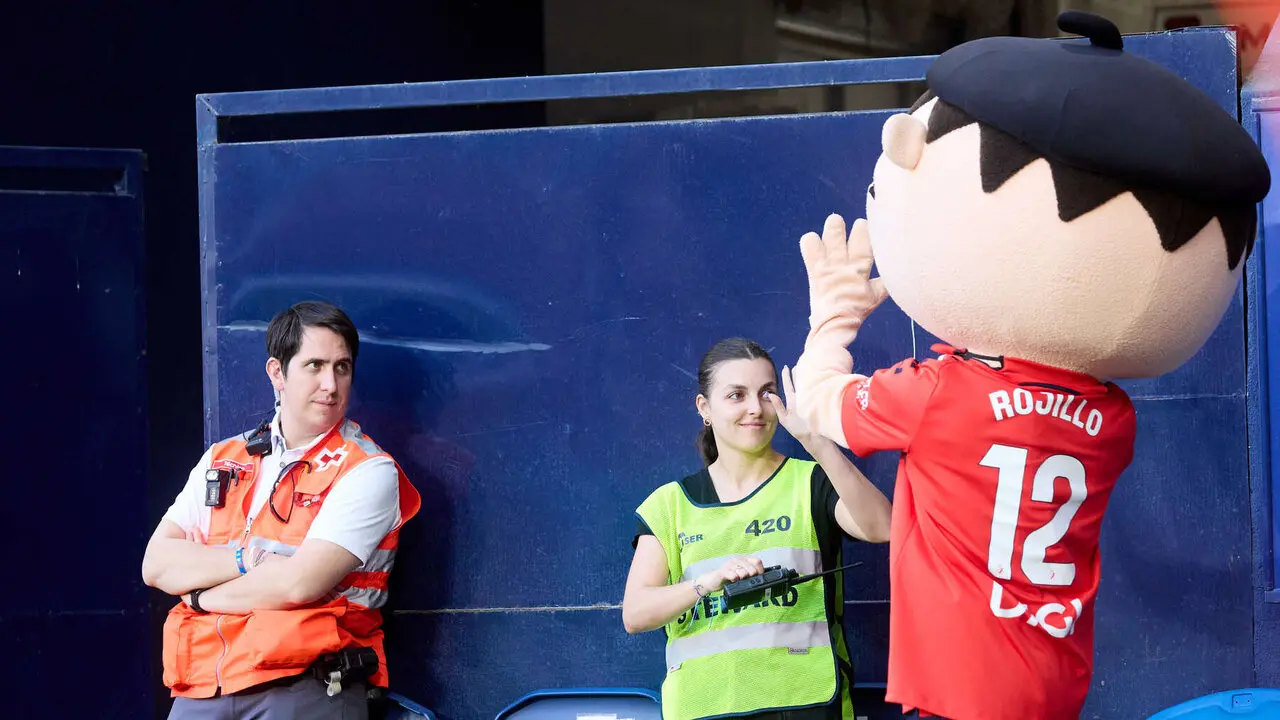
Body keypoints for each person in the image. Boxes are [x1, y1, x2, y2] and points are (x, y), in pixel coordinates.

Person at [785, 12, 1270, 720]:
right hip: (1053, 681)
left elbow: (821, 399)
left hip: (960, 689)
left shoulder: (941, 393)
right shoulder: (1111, 421)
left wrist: (833, 315)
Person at [141, 300, 422, 719]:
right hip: (203, 685)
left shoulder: (367, 469)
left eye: (342, 367)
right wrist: (245, 558)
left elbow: (298, 585)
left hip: (306, 685)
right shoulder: (223, 457)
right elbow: (156, 564)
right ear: (277, 373)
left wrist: (198, 598)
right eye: (314, 366)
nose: (331, 383)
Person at [622, 337, 892, 720]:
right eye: (736, 395)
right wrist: (708, 582)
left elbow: (882, 527)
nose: (755, 408)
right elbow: (635, 614)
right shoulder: (670, 503)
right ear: (705, 408)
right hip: (704, 708)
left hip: (807, 703)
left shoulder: (812, 481)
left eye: (767, 393)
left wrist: (816, 442)